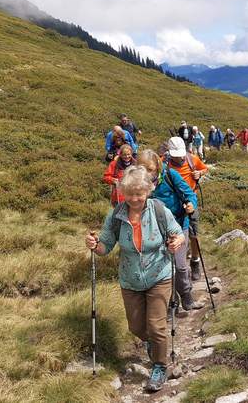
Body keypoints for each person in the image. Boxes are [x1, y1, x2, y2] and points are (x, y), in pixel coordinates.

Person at [84, 165, 184, 392]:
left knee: (157, 326)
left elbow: (177, 233)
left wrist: (177, 241)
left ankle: (159, 366)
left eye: (139, 193)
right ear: (123, 192)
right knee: (137, 326)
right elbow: (105, 247)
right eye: (130, 193)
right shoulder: (116, 216)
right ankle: (151, 343)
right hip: (130, 280)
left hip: (159, 275)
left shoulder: (160, 210)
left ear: (148, 190)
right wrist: (94, 245)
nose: (135, 198)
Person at [138, 149, 204, 314]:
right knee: (162, 267)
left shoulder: (170, 175)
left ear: (158, 166)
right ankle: (170, 302)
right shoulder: (138, 182)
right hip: (154, 230)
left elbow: (189, 194)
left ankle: (187, 298)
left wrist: (190, 204)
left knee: (180, 265)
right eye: (143, 169)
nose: (147, 173)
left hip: (178, 226)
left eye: (150, 169)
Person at [163, 137, 209, 281]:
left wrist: (200, 173)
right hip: (172, 206)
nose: (180, 157)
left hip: (190, 201)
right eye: (176, 155)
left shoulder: (192, 159)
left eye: (181, 154)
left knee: (194, 234)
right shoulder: (163, 162)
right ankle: (176, 266)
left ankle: (195, 261)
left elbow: (204, 168)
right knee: (172, 235)